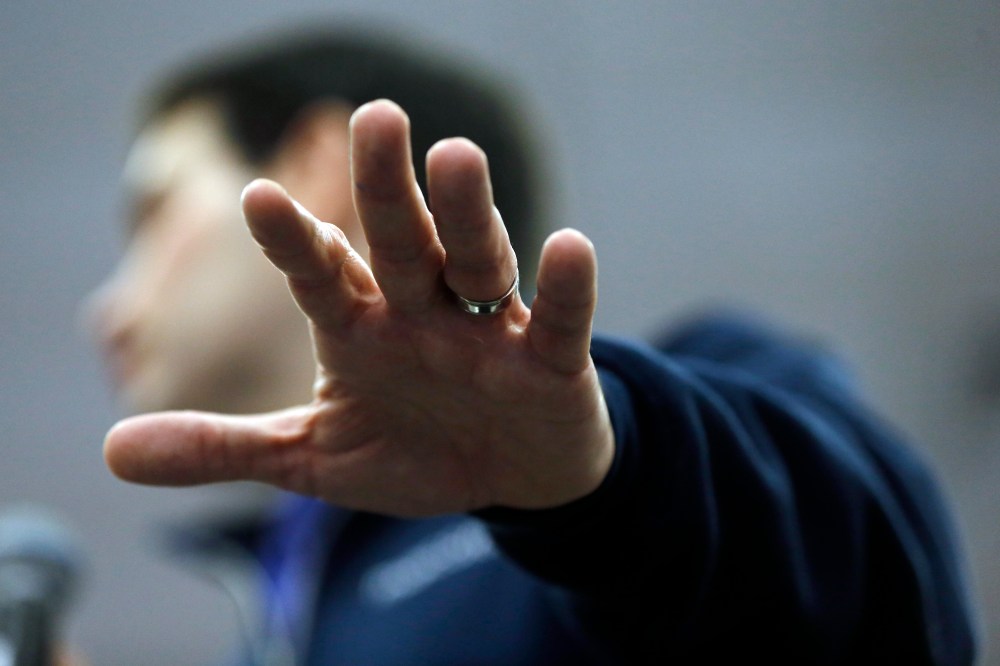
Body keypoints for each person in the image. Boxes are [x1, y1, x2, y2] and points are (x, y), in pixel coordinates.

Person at [89, 28, 977, 664]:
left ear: (317, 162)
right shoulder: (280, 603)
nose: (106, 309)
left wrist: (604, 481)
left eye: (152, 210)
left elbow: (875, 596)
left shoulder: (700, 424)